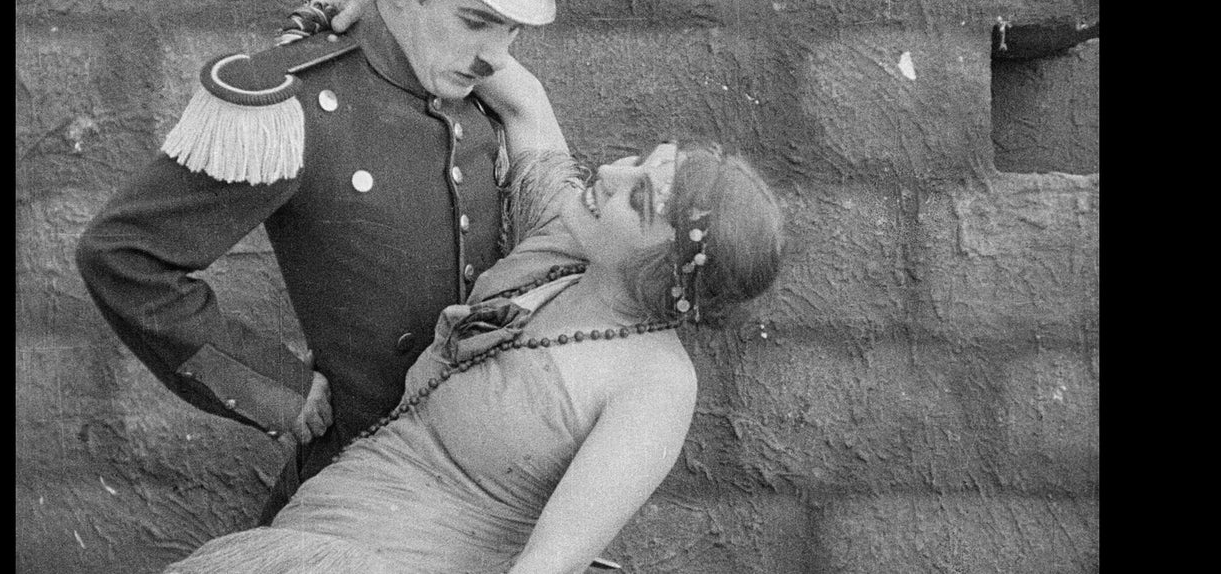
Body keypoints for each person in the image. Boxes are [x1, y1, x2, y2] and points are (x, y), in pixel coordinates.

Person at [75, 0, 642, 526]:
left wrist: (397, 16)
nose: (494, 55)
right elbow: (124, 256)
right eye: (476, 20)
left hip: (488, 487)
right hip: (358, 492)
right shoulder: (292, 101)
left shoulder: (477, 82)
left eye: (511, 28)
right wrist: (274, 387)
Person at [159, 47, 786, 574]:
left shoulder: (656, 385)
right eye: (639, 161)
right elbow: (523, 100)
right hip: (302, 537)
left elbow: (548, 565)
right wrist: (381, 10)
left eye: (639, 198)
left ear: (667, 271)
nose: (610, 173)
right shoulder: (563, 244)